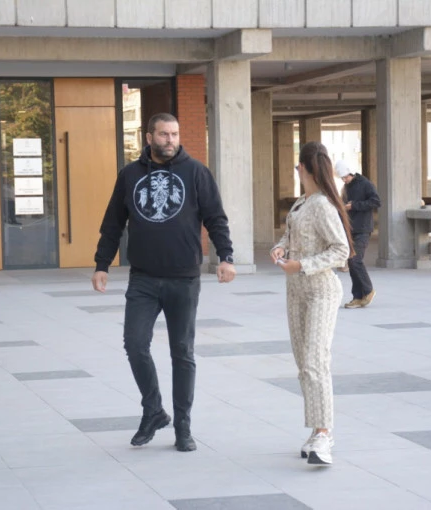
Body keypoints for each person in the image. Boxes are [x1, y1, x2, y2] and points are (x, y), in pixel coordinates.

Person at [92, 112, 236, 452]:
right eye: (163, 134)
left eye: (174, 134)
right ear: (149, 137)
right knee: (134, 344)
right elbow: (113, 222)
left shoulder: (196, 172)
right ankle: (154, 410)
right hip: (142, 278)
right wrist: (102, 264)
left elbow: (215, 218)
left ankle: (183, 427)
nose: (170, 140)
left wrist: (226, 256)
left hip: (183, 279)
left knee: (182, 353)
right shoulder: (130, 175)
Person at [270, 142, 353, 465]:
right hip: (296, 291)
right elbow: (292, 238)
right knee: (304, 364)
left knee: (316, 361)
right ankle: (316, 430)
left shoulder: (322, 205)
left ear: (302, 168)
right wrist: (281, 248)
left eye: (297, 167)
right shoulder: (302, 203)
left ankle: (324, 434)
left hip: (321, 290)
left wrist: (302, 265)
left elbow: (341, 250)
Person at [335, 160, 380, 309]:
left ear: (351, 172)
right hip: (351, 228)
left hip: (363, 228)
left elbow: (376, 201)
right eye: (342, 178)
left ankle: (368, 291)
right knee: (351, 262)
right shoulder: (346, 187)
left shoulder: (365, 184)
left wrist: (354, 205)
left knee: (355, 260)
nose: (344, 180)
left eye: (345, 177)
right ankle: (357, 297)